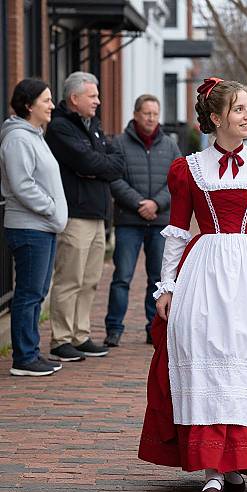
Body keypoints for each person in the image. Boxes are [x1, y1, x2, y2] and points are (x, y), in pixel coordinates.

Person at [138, 78, 247, 492]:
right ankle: (212, 470)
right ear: (216, 118)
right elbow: (175, 232)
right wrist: (166, 286)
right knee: (208, 359)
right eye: (240, 109)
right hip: (205, 271)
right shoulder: (189, 168)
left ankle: (236, 463)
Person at [45, 72, 124, 362]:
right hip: (75, 214)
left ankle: (80, 335)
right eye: (93, 96)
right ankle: (61, 339)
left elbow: (117, 164)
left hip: (97, 214)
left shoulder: (95, 127)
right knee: (70, 278)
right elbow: (86, 161)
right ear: (75, 98)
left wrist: (97, 166)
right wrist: (96, 165)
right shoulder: (60, 128)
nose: (99, 101)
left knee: (90, 279)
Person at [0, 79, 68, 376]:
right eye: (46, 100)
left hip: (43, 227)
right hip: (29, 228)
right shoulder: (17, 139)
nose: (52, 105)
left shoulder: (35, 136)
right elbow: (22, 185)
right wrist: (51, 209)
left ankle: (31, 352)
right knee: (28, 294)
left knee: (36, 293)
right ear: (29, 105)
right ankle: (24, 358)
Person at [103, 94, 181, 348]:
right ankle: (114, 328)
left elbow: (178, 181)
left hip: (159, 222)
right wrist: (139, 203)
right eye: (146, 113)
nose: (151, 118)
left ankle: (153, 328)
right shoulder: (119, 143)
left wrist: (156, 203)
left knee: (157, 280)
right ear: (136, 114)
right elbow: (114, 178)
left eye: (155, 114)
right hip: (128, 220)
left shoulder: (169, 146)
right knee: (122, 277)